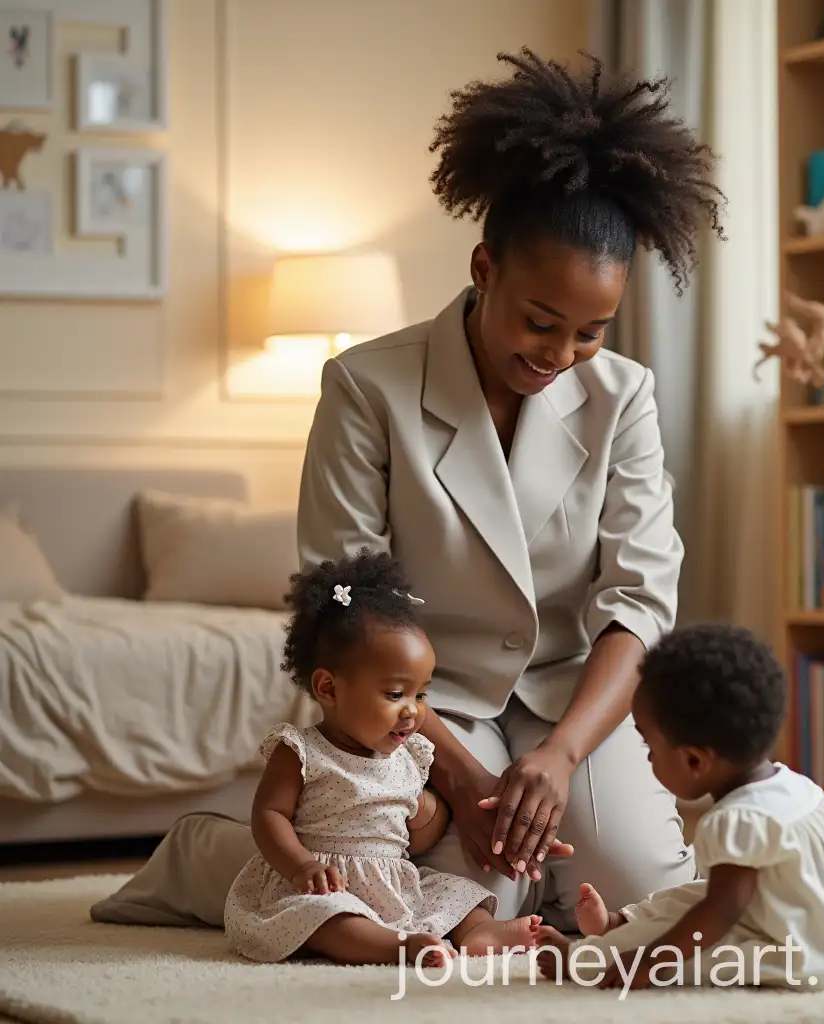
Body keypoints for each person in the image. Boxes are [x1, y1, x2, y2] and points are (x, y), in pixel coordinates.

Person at [91, 47, 726, 933]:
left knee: (634, 900)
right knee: (452, 904)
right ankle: (215, 856)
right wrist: (458, 772)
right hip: (420, 700)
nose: (559, 355)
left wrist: (561, 757)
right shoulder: (366, 386)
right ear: (482, 269)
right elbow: (341, 591)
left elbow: (640, 602)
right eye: (541, 323)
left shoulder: (626, 396)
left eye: (589, 332)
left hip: (568, 698)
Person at [536, 624, 824, 990]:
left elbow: (719, 914)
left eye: (649, 747)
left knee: (696, 946)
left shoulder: (733, 822)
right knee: (694, 893)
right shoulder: (793, 785)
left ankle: (583, 959)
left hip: (807, 953)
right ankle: (621, 920)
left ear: (693, 760)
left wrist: (647, 963)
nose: (646, 759)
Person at [224, 551, 549, 966]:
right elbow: (269, 814)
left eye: (421, 694)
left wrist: (428, 813)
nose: (413, 710)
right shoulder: (302, 751)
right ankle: (397, 946)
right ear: (328, 688)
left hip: (391, 880)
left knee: (453, 889)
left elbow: (416, 831)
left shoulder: (410, 754)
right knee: (327, 918)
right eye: (396, 694)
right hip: (324, 884)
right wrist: (299, 865)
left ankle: (477, 931)